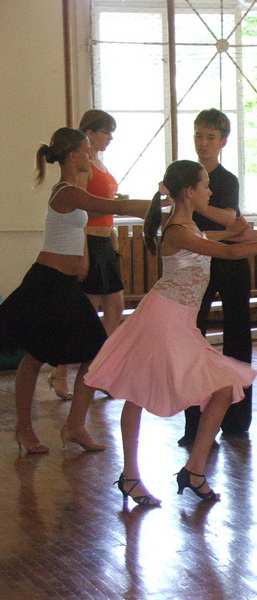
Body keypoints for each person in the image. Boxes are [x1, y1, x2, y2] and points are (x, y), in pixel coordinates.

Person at [84, 160, 257, 505]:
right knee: (138, 393)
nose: (210, 191)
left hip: (178, 321)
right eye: (205, 185)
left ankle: (193, 470)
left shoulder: (188, 226)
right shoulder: (177, 230)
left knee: (223, 389)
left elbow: (224, 238)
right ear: (190, 192)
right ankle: (132, 475)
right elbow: (229, 251)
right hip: (163, 319)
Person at [0, 127, 153, 454]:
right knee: (34, 356)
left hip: (64, 285)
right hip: (46, 282)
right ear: (72, 156)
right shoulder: (66, 191)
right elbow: (110, 205)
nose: (90, 155)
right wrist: (153, 204)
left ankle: (74, 426)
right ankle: (25, 429)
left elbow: (99, 211)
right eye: (86, 150)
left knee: (93, 353)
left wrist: (152, 205)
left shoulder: (73, 193)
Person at [179, 108, 253, 447]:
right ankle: (193, 425)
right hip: (196, 264)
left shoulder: (227, 180)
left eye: (210, 137)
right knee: (193, 338)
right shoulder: (184, 176)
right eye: (199, 135)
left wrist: (195, 202)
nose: (203, 143)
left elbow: (229, 218)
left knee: (238, 337)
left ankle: (237, 420)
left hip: (231, 263)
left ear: (222, 142)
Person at [48, 109, 125, 401]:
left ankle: (100, 372)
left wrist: (113, 232)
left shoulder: (100, 163)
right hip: (90, 242)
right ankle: (61, 371)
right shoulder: (83, 166)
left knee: (115, 309)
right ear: (90, 134)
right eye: (106, 132)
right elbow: (79, 210)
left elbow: (103, 205)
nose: (110, 138)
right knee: (85, 316)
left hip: (105, 242)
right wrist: (84, 253)